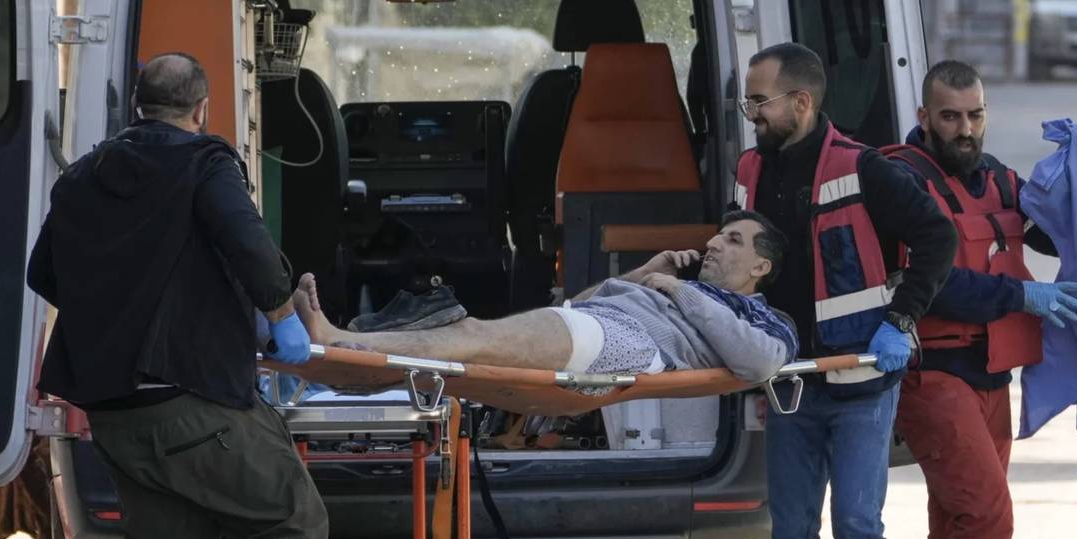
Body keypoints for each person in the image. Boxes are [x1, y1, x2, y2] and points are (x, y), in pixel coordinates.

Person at [28, 53, 325, 539]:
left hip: (115, 414)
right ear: (202, 109)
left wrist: (120, 304)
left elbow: (44, 271)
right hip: (191, 398)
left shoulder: (86, 176)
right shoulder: (205, 164)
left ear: (137, 107)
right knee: (296, 522)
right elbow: (249, 247)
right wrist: (282, 312)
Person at [734, 43, 958, 539]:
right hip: (791, 383)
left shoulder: (863, 169)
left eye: (760, 101)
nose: (751, 114)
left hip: (862, 377)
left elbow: (937, 238)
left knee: (857, 530)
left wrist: (901, 320)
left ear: (801, 103)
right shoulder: (751, 171)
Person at [886, 60, 1077, 539]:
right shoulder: (901, 181)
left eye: (974, 115)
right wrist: (1019, 294)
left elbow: (1057, 237)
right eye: (949, 116)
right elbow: (927, 281)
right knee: (988, 516)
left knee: (957, 523)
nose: (964, 129)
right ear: (924, 117)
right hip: (933, 370)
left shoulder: (1000, 178)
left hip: (992, 374)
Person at [292, 212, 799, 384]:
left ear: (762, 267)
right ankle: (347, 354)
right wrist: (647, 272)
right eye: (718, 234)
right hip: (600, 323)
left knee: (470, 337)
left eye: (733, 241)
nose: (713, 243)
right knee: (469, 342)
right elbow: (577, 306)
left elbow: (758, 364)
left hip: (636, 345)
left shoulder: (767, 318)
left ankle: (339, 340)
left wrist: (682, 293)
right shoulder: (674, 284)